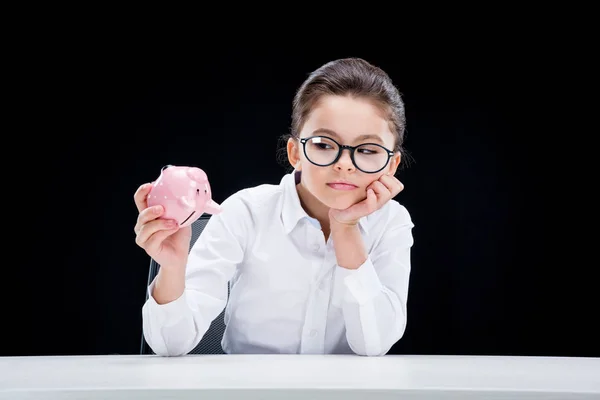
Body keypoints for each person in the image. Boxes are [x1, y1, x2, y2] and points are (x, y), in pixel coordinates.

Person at [133, 57, 415, 357]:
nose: (344, 164)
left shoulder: (392, 222)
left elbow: (374, 345)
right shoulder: (246, 211)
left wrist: (346, 229)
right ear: (295, 152)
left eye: (368, 150)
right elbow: (169, 345)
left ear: (392, 164)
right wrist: (174, 268)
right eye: (323, 144)